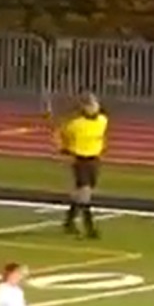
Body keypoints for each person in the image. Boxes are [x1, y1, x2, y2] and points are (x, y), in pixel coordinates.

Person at [57, 92, 109, 239]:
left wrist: (65, 146)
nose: (95, 107)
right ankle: (90, 228)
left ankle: (69, 222)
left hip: (95, 161)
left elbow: (63, 135)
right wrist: (65, 147)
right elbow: (62, 135)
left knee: (81, 193)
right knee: (85, 194)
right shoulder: (75, 125)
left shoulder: (102, 121)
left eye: (95, 104)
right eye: (91, 105)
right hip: (81, 161)